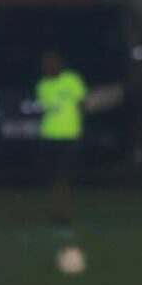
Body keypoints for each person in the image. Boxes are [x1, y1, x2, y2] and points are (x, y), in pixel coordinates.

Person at [36, 50, 87, 244]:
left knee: (63, 177)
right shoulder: (42, 85)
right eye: (45, 63)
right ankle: (57, 216)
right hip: (49, 136)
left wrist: (81, 129)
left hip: (69, 137)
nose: (48, 66)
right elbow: (46, 108)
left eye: (51, 62)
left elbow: (82, 104)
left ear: (60, 63)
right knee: (52, 179)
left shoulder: (72, 80)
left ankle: (66, 219)